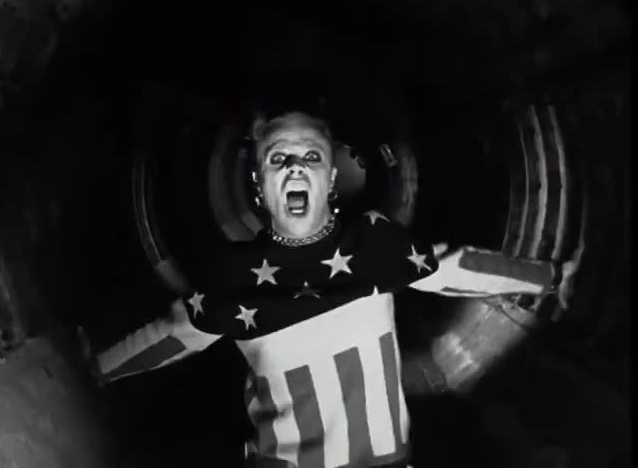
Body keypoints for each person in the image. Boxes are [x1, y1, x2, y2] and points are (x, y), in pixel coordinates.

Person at [81, 111, 580, 468]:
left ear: (331, 176)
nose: (294, 168)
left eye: (311, 156)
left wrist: (550, 277)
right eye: (278, 158)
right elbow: (171, 336)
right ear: (258, 181)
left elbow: (458, 267)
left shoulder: (373, 244)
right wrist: (98, 368)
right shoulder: (233, 278)